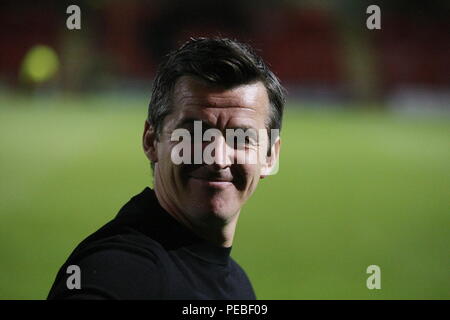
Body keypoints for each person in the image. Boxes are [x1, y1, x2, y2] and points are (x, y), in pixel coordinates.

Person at [47, 37, 286, 300]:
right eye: (194, 134)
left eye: (241, 138)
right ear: (151, 141)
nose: (218, 158)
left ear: (270, 156)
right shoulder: (115, 271)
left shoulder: (235, 282)